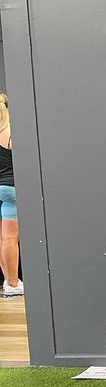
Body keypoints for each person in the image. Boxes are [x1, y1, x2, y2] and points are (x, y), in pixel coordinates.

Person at [0, 92, 21, 298]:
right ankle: (13, 284)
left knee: (1, 239)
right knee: (10, 238)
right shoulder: (10, 132)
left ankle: (8, 280)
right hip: (10, 189)